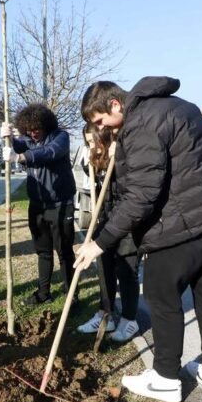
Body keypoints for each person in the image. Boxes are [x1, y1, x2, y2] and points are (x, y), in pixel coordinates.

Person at [75, 79, 202, 402]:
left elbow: (142, 195)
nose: (102, 128)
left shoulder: (140, 122)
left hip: (190, 220)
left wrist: (100, 242)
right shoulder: (172, 105)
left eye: (100, 121)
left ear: (114, 105)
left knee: (159, 290)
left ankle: (166, 378)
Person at [1, 104, 77, 306]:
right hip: (37, 205)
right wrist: (6, 136)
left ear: (46, 125)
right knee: (43, 251)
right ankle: (44, 293)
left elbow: (49, 153)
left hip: (61, 204)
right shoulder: (27, 140)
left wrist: (21, 157)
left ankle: (71, 295)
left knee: (65, 252)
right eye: (29, 130)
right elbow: (17, 145)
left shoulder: (60, 137)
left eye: (37, 129)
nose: (33, 134)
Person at [75, 123, 140, 343]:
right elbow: (95, 180)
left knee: (127, 270)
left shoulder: (122, 150)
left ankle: (129, 320)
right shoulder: (97, 157)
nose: (91, 146)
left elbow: (135, 185)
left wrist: (120, 156)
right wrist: (87, 161)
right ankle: (106, 314)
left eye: (93, 141)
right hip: (107, 219)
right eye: (87, 143)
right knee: (104, 268)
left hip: (129, 222)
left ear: (103, 136)